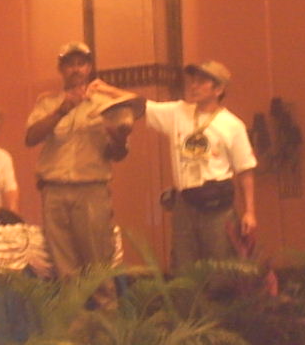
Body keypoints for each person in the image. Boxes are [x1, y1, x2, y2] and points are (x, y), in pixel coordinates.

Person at [90, 60, 257, 273]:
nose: (194, 86)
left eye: (202, 82)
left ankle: (221, 295)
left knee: (221, 264)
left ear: (218, 89)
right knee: (183, 264)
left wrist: (250, 212)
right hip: (184, 203)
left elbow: (245, 170)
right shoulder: (178, 112)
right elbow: (140, 103)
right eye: (193, 81)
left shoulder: (233, 125)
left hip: (217, 206)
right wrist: (106, 89)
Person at [25, 42, 130, 280]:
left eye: (81, 64)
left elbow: (119, 154)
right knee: (64, 267)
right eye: (69, 64)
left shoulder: (107, 104)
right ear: (60, 69)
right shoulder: (47, 102)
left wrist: (119, 138)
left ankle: (104, 305)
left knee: (97, 263)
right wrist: (61, 110)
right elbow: (30, 138)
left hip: (91, 190)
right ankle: (72, 305)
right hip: (54, 191)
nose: (76, 69)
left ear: (89, 68)